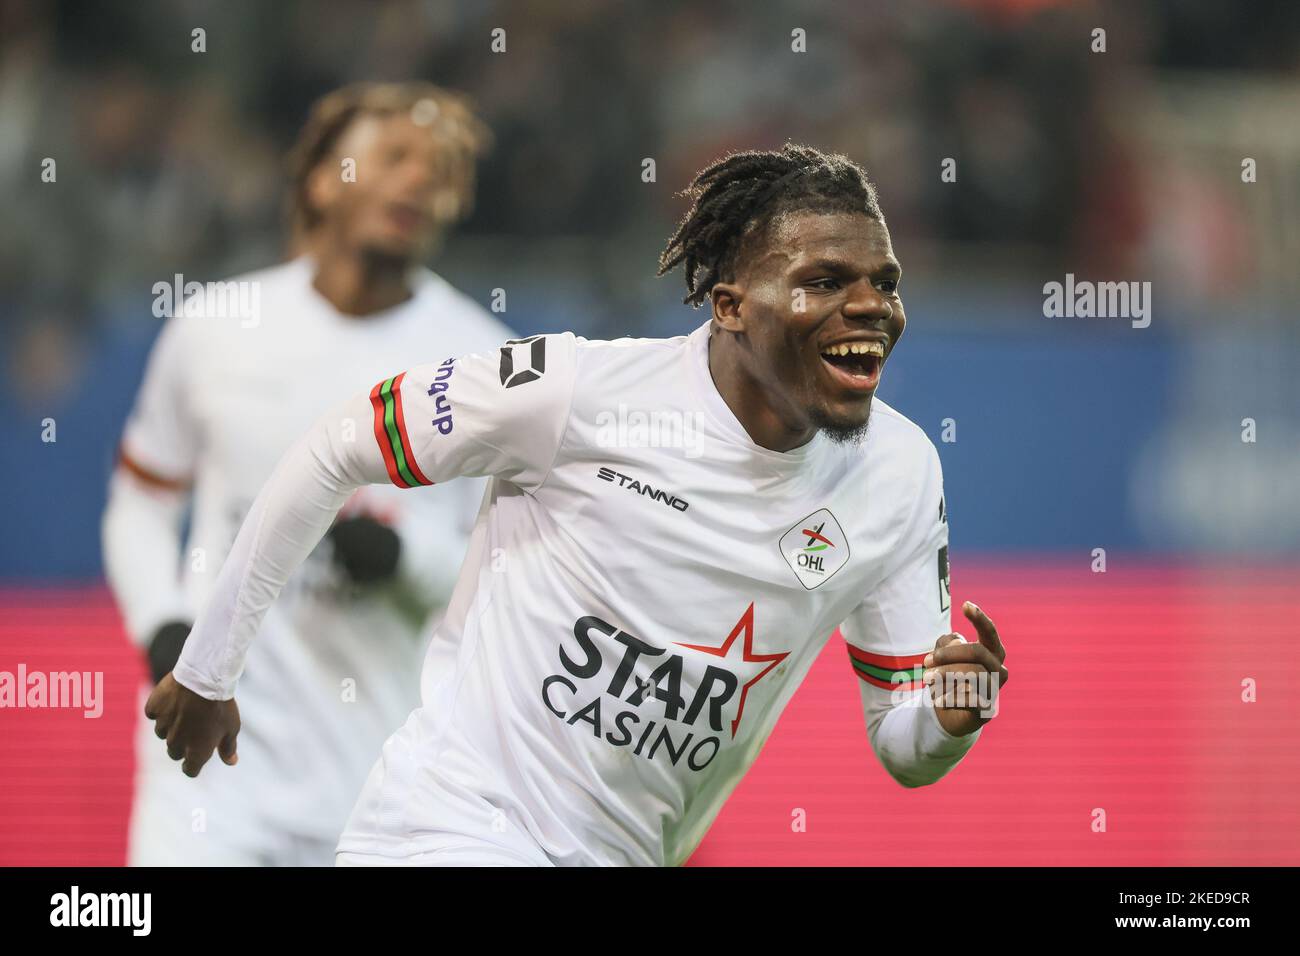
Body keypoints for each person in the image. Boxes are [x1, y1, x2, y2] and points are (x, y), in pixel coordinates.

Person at [144, 143, 1010, 867]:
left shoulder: (899, 473)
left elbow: (904, 744)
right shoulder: (574, 393)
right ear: (732, 306)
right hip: (448, 831)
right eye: (825, 281)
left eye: (884, 283)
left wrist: (951, 714)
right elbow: (338, 447)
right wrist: (210, 668)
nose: (871, 307)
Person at [103, 81, 510, 865]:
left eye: (440, 171)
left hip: (380, 787)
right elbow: (140, 502)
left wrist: (406, 561)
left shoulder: (482, 363)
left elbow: (503, 581)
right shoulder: (217, 327)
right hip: (205, 784)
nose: (419, 182)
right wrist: (161, 626)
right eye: (394, 158)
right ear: (324, 178)